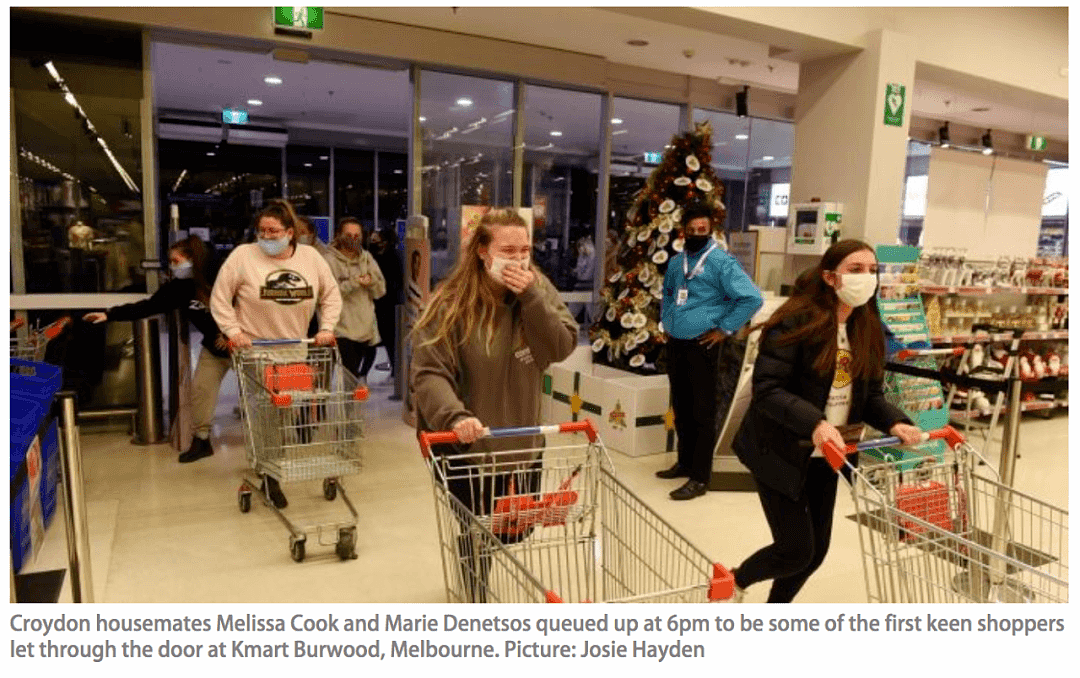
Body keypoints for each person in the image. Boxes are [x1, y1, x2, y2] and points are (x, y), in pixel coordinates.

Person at [729, 239, 923, 603]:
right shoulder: (794, 320)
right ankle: (737, 580)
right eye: (855, 270)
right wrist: (817, 423)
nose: (866, 278)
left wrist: (896, 423)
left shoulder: (867, 325)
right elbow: (768, 389)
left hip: (830, 455)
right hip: (780, 448)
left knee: (816, 553)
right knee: (796, 550)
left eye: (872, 270)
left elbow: (871, 396)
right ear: (830, 277)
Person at [411, 208, 577, 599]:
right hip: (466, 446)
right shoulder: (451, 302)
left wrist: (531, 296)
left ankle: (480, 559)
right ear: (483, 251)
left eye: (525, 250)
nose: (518, 259)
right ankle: (475, 592)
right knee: (476, 527)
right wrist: (456, 416)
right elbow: (429, 372)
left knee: (515, 528)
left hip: (521, 441)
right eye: (507, 249)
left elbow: (560, 345)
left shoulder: (537, 288)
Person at [210, 199, 342, 509]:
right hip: (255, 351)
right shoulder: (243, 256)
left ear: (291, 232)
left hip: (294, 350)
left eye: (274, 231)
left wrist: (326, 327)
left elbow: (331, 294)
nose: (267, 237)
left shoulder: (310, 258)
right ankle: (271, 479)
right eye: (261, 231)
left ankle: (269, 463)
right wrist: (233, 331)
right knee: (265, 415)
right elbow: (219, 298)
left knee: (283, 414)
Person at [84, 235, 228, 464]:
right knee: (201, 392)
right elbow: (150, 306)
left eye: (176, 260)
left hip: (244, 344)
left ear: (192, 258)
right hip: (214, 348)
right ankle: (201, 440)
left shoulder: (223, 276)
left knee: (262, 390)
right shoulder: (179, 288)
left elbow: (248, 305)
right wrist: (110, 314)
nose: (173, 266)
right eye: (171, 261)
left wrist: (232, 335)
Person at [657, 202, 764, 500]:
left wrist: (725, 329)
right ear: (683, 231)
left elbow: (751, 298)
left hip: (704, 346)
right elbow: (667, 293)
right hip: (676, 344)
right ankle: (685, 462)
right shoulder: (678, 263)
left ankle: (700, 477)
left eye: (701, 230)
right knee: (681, 407)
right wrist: (666, 321)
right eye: (690, 230)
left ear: (710, 230)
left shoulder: (722, 263)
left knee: (702, 411)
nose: (696, 234)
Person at [325, 217, 386, 386]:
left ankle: (348, 411)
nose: (353, 239)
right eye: (348, 235)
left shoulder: (366, 258)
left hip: (364, 329)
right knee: (329, 379)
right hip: (339, 329)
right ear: (338, 235)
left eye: (356, 235)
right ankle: (323, 410)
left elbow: (381, 291)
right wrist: (352, 283)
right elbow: (327, 294)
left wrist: (371, 282)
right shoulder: (328, 260)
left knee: (351, 381)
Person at [368, 227, 404, 376]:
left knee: (391, 338)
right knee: (382, 337)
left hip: (390, 302)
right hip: (377, 301)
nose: (374, 243)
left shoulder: (393, 256)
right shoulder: (373, 255)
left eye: (377, 239)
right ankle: (394, 369)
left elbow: (397, 279)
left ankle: (397, 370)